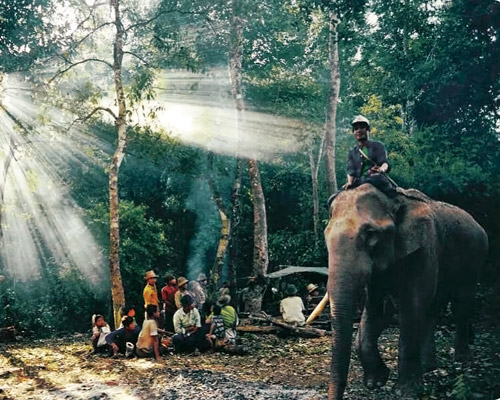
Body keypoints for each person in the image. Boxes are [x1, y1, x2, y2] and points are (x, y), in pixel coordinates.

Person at [328, 115, 395, 207]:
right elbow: (351, 170)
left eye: (362, 127)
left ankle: (395, 203)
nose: (359, 130)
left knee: (384, 185)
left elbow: (384, 162)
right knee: (332, 198)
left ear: (368, 130)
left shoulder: (378, 146)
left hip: (375, 178)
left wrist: (381, 169)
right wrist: (350, 182)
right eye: (356, 129)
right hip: (359, 181)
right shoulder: (352, 152)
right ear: (354, 132)